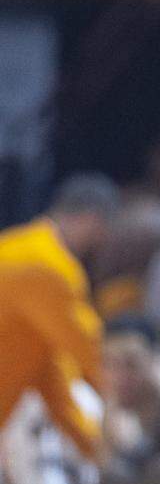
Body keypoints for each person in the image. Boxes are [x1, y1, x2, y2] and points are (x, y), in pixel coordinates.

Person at [0, 172, 118, 461]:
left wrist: (92, 445)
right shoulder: (51, 265)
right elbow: (92, 352)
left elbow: (48, 368)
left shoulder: (16, 244)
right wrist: (117, 409)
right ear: (92, 220)